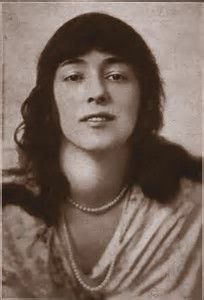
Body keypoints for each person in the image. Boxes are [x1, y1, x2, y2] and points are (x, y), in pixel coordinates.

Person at [2, 12, 202, 300]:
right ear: (50, 102)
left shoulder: (192, 213)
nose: (97, 92)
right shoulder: (8, 220)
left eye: (117, 76)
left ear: (144, 97)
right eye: (74, 76)